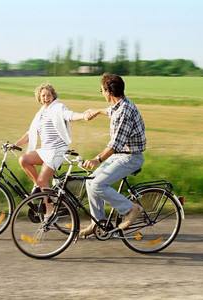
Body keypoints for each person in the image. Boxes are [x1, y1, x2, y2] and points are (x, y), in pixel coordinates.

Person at [80, 73, 147, 237]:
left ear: (108, 92)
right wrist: (97, 111)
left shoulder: (125, 112)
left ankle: (131, 209)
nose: (101, 93)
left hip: (131, 157)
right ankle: (98, 223)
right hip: (122, 154)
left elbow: (115, 144)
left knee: (98, 185)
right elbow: (111, 111)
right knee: (90, 182)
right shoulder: (120, 104)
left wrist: (97, 160)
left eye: (101, 90)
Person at [14, 83, 90, 218]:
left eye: (48, 95)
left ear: (53, 96)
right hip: (45, 150)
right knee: (24, 160)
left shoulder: (58, 108)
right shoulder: (41, 113)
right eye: (43, 95)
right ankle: (40, 187)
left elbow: (69, 115)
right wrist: (15, 144)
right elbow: (30, 133)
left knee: (43, 181)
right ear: (39, 98)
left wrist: (83, 115)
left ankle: (49, 210)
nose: (46, 98)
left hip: (57, 151)